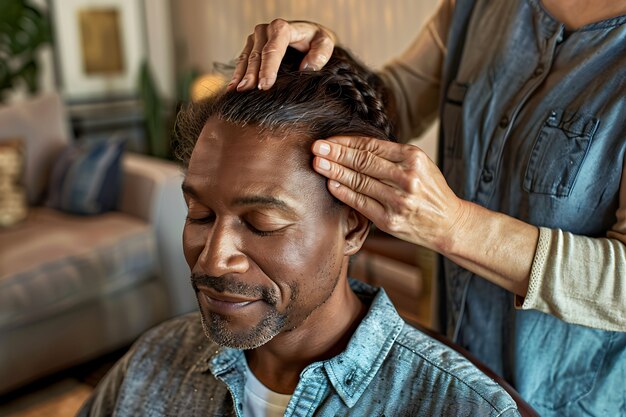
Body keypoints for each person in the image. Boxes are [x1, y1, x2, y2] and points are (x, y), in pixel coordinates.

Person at [229, 0, 626, 415]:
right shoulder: (473, 9)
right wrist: (324, 65)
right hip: (448, 359)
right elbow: (391, 101)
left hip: (566, 398)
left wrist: (455, 226)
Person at [77, 47, 522, 416]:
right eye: (199, 214)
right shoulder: (151, 363)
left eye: (261, 223)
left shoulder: (464, 407)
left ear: (353, 226)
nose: (213, 259)